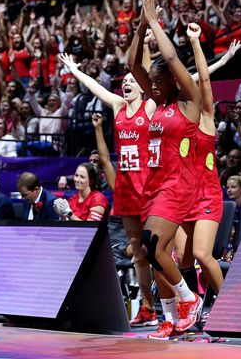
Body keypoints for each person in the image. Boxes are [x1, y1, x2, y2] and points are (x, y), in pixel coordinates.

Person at [58, 51, 156, 327]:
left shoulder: (149, 107)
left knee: (156, 252)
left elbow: (179, 81)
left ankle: (173, 306)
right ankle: (148, 308)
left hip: (148, 187)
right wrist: (74, 71)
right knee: (137, 251)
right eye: (123, 80)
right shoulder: (117, 105)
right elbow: (95, 86)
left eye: (131, 80)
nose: (125, 83)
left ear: (142, 86)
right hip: (125, 189)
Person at [129, 0, 203, 338]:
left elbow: (171, 56)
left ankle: (190, 299)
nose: (153, 86)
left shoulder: (188, 100)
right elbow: (133, 65)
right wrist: (141, 23)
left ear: (173, 80)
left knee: (155, 247)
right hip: (155, 185)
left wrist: (155, 22)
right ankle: (170, 318)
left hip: (178, 184)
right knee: (149, 252)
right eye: (152, 83)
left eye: (159, 82)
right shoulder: (158, 102)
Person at [174, 23, 225, 307]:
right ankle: (195, 307)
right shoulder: (175, 123)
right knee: (183, 257)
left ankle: (230, 307)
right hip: (183, 199)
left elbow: (204, 81)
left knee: (203, 255)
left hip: (207, 196)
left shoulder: (206, 118)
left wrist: (195, 42)